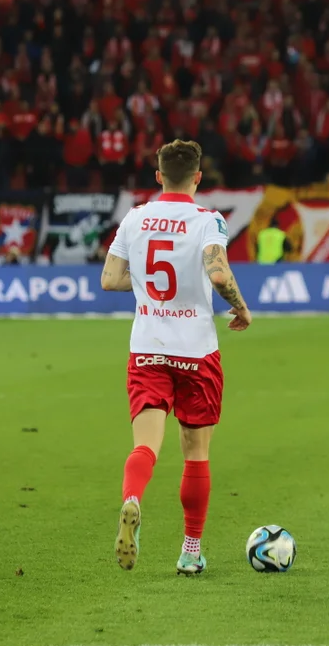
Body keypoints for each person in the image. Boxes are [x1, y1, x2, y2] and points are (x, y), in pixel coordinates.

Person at [101, 139, 252, 575]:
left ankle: (132, 499)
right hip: (196, 351)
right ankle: (190, 551)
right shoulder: (208, 220)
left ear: (158, 176)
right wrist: (240, 308)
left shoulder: (135, 218)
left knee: (145, 446)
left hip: (147, 347)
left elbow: (110, 279)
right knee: (196, 453)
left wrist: (147, 282)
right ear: (199, 178)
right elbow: (219, 272)